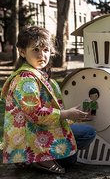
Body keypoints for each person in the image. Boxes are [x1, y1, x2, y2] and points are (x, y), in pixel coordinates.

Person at [0, 26, 96, 173]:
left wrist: (73, 116)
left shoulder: (39, 75)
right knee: (73, 154)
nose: (42, 55)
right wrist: (66, 114)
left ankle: (38, 158)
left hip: (39, 132)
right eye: (36, 50)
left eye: (46, 50)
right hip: (29, 139)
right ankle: (37, 158)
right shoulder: (25, 79)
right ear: (22, 51)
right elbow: (35, 114)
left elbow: (51, 112)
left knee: (85, 135)